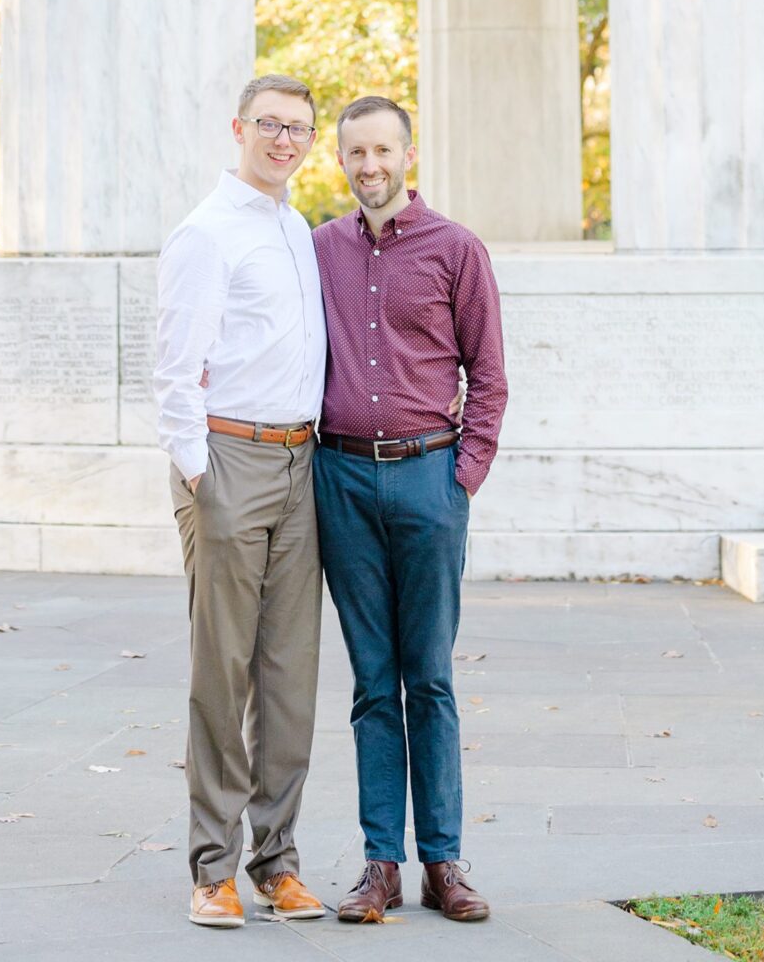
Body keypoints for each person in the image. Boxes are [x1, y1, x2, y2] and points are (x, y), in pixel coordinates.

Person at [311, 94, 509, 926]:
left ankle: (443, 862)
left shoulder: (456, 249)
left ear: (408, 154)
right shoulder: (315, 248)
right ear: (343, 161)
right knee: (368, 684)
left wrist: (460, 478)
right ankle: (378, 864)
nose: (369, 166)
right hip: (343, 483)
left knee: (427, 680)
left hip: (429, 481)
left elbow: (489, 377)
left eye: (382, 151)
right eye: (355, 153)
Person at [154, 73, 330, 929]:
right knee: (221, 672)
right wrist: (198, 473)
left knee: (290, 676)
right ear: (238, 129)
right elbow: (172, 367)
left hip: (303, 466)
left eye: (298, 128)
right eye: (270, 125)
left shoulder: (297, 228)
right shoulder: (206, 233)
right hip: (228, 462)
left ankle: (277, 862)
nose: (285, 140)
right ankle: (212, 868)